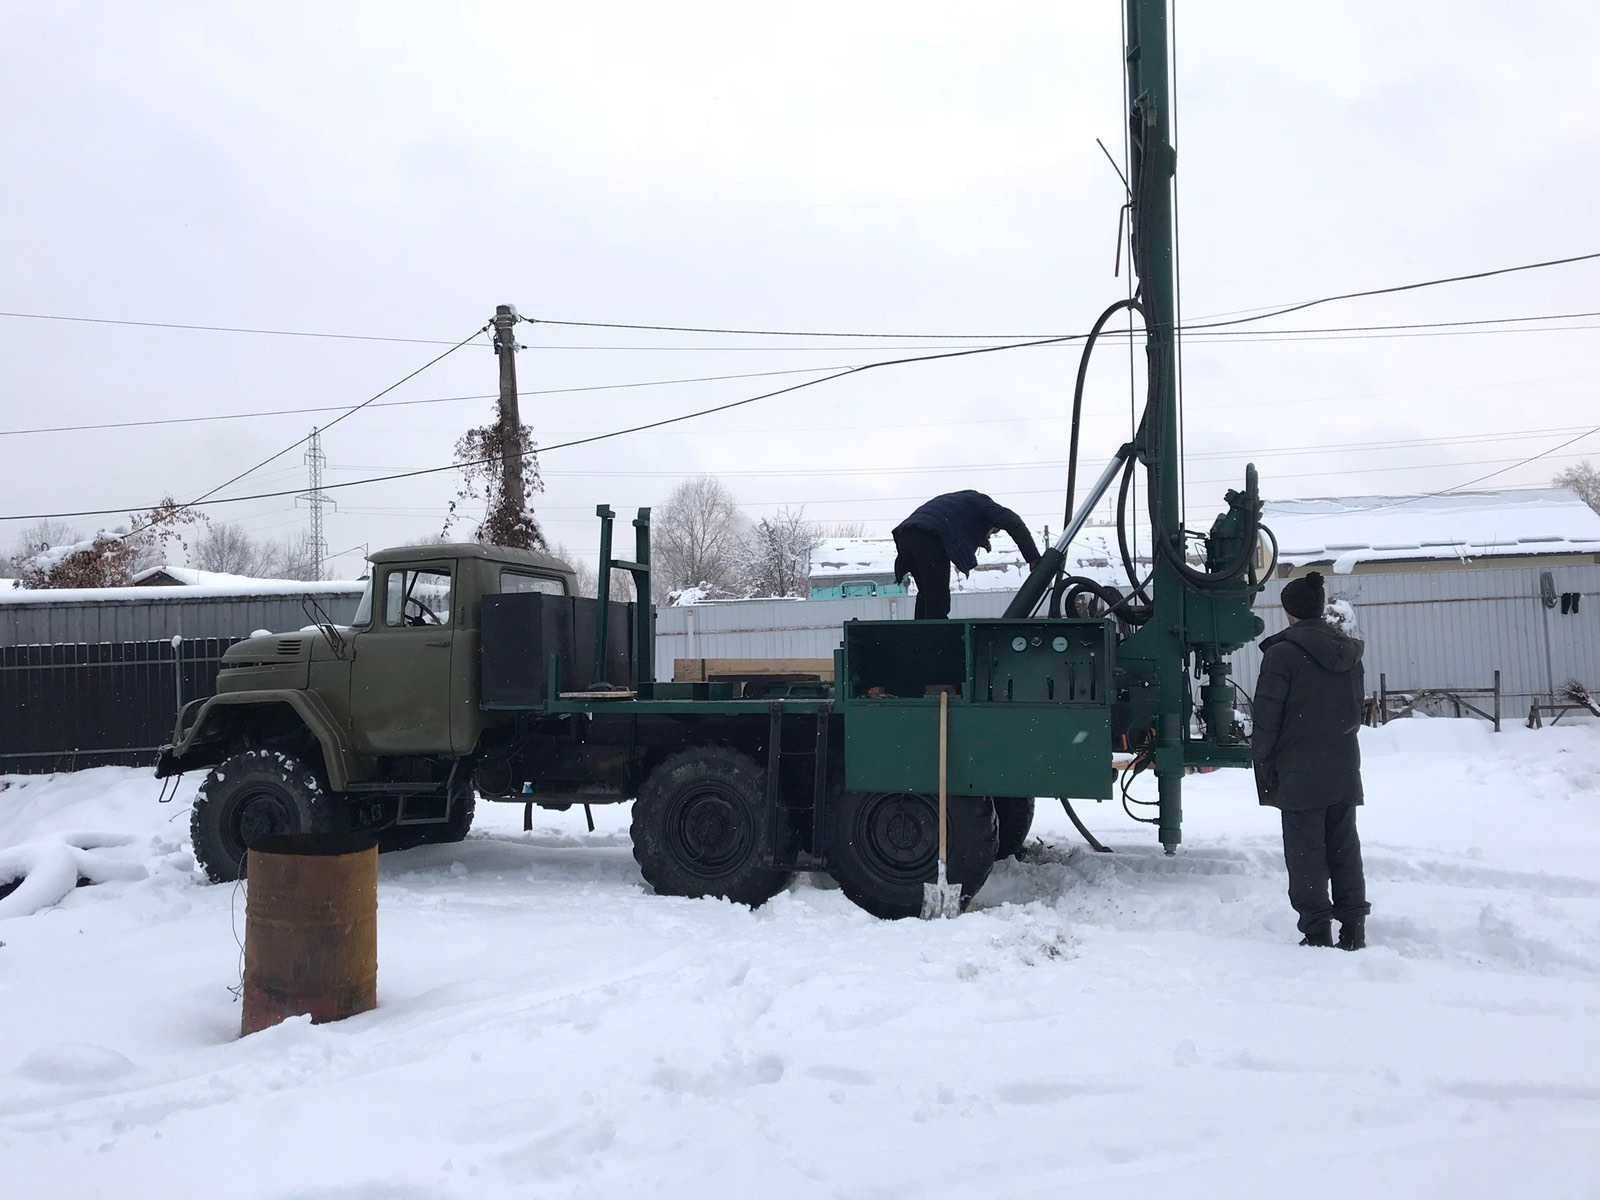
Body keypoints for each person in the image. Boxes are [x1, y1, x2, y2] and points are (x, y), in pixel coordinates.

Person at [1251, 571, 1371, 950]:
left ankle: (1317, 931)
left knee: (1306, 855)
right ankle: (1353, 928)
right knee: (1344, 849)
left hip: (1299, 771)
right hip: (1342, 765)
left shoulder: (1282, 655)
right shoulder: (1349, 653)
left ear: (1288, 612)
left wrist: (1264, 761)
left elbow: (1267, 720)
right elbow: (1355, 713)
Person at [892, 490, 1041, 619]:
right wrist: (1033, 558)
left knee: (926, 594)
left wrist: (982, 541)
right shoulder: (983, 503)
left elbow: (964, 530)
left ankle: (919, 638)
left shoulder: (961, 505)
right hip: (929, 536)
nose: (989, 537)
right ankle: (936, 642)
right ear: (991, 523)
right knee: (938, 599)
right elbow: (1013, 521)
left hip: (905, 535)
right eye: (991, 532)